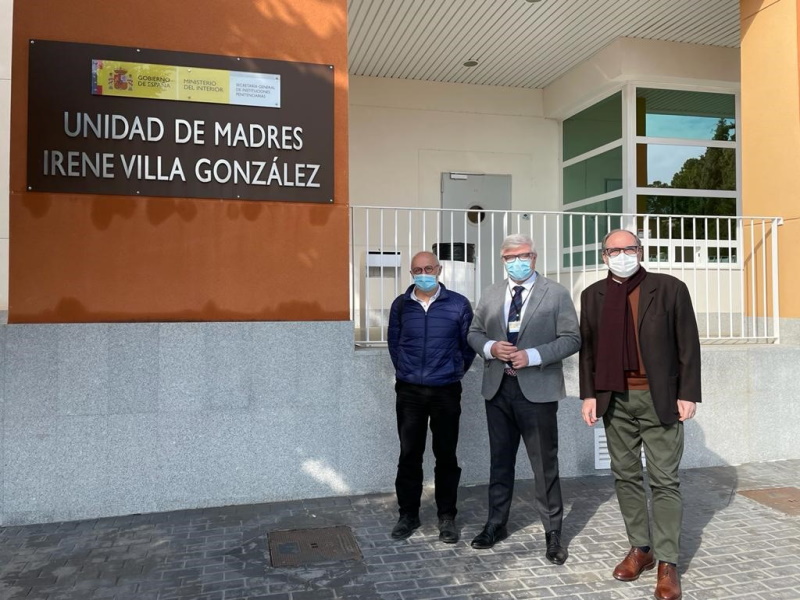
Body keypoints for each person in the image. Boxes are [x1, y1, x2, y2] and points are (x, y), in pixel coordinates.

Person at [579, 229, 701, 600]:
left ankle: (667, 562)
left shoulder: (669, 288)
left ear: (640, 251)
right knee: (626, 476)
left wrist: (688, 394)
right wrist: (588, 395)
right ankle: (641, 549)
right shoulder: (592, 295)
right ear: (604, 256)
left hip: (658, 396)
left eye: (628, 248)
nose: (621, 255)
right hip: (614, 397)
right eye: (613, 250)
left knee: (664, 480)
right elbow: (588, 350)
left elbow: (688, 343)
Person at [467, 233, 580, 563]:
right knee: (499, 461)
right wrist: (490, 348)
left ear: (535, 257)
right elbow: (474, 333)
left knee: (544, 465)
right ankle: (495, 523)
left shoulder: (556, 293)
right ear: (503, 261)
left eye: (524, 255)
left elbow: (572, 339)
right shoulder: (490, 294)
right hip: (498, 389)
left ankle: (553, 533)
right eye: (510, 257)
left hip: (538, 391)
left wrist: (531, 355)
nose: (518, 261)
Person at [387, 250, 476, 543]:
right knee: (409, 454)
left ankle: (447, 516)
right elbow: (394, 343)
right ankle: (408, 515)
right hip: (410, 391)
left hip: (446, 390)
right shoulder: (401, 306)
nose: (423, 273)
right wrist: (405, 370)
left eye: (428, 268)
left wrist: (455, 371)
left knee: (446, 456)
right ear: (411, 273)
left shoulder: (458, 305)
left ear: (438, 269)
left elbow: (468, 345)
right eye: (417, 270)